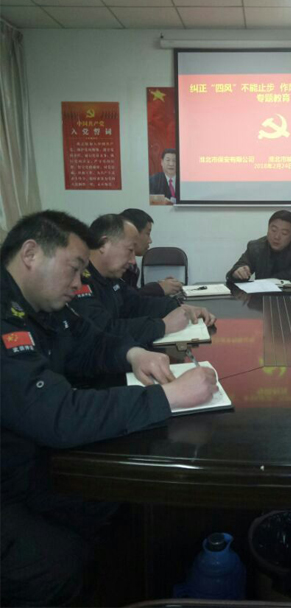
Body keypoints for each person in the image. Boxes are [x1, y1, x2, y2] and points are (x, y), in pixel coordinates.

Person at [0, 210, 217, 607]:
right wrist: (169, 397)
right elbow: (58, 415)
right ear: (30, 253)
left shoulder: (42, 303)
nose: (79, 282)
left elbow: (89, 340)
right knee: (57, 566)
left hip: (27, 459)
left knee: (117, 502)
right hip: (11, 479)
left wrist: (133, 354)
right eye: (74, 268)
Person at [71, 214, 215, 347]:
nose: (133, 261)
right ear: (104, 244)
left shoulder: (110, 276)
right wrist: (162, 326)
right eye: (130, 250)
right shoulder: (77, 281)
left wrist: (180, 307)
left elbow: (136, 303)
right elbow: (104, 330)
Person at [226, 209, 291, 282]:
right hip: (262, 295)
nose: (277, 237)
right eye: (273, 230)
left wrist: (270, 279)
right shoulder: (256, 246)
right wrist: (237, 273)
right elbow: (238, 267)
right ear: (268, 229)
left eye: (284, 233)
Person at [120, 208, 182, 296]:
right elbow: (125, 299)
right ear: (133, 233)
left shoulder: (131, 266)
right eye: (147, 234)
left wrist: (160, 286)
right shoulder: (117, 266)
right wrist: (159, 288)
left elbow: (132, 295)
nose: (150, 240)